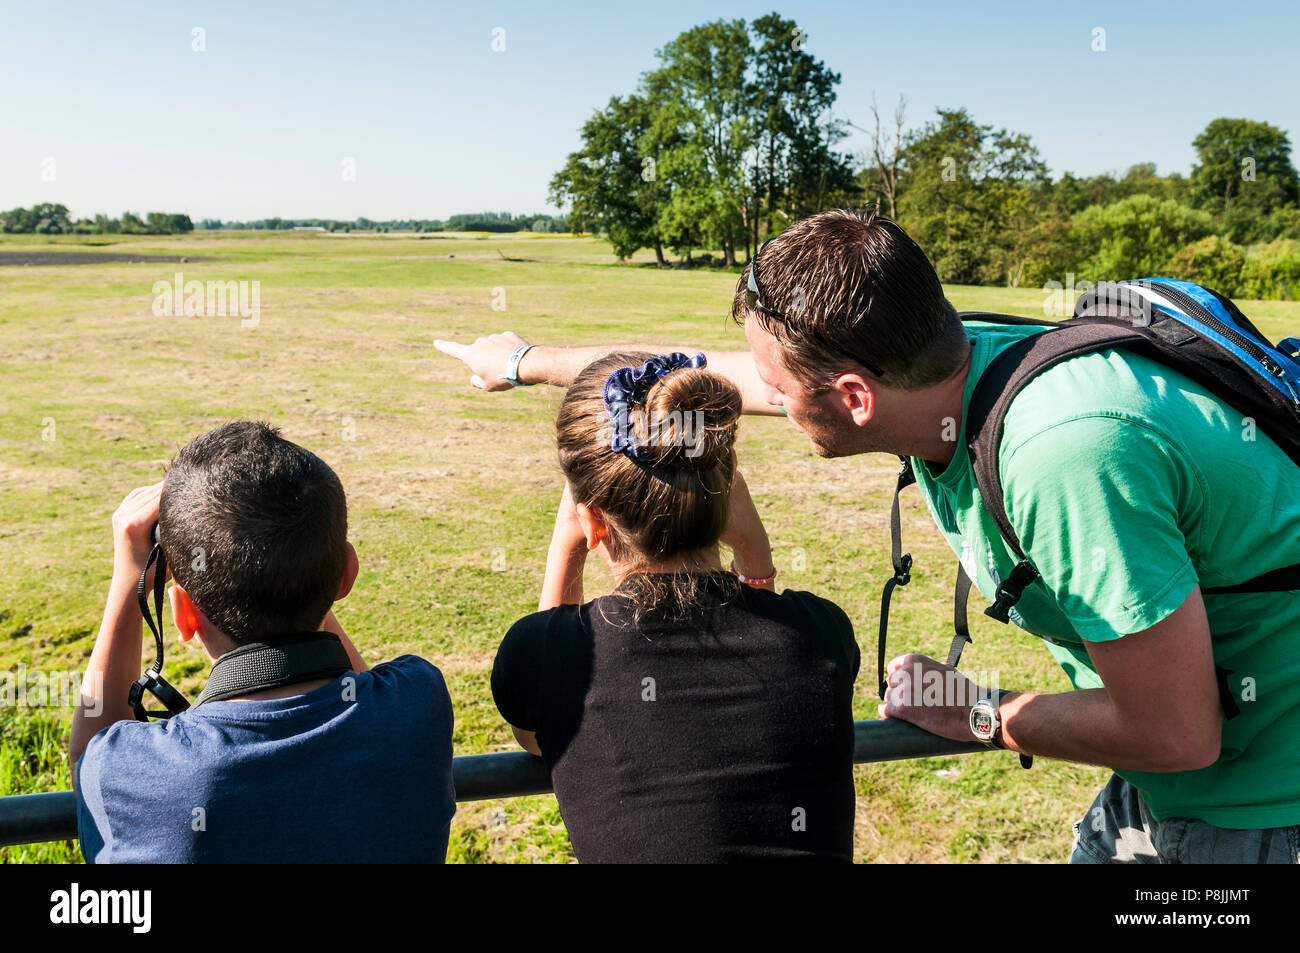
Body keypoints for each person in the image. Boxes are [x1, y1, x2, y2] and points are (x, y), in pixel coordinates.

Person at [439, 208, 1300, 864]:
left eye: (773, 386)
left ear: (854, 396)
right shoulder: (963, 362)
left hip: (1264, 801)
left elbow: (1181, 730)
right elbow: (685, 377)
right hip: (1185, 781)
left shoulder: (1061, 453)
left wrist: (977, 711)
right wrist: (528, 364)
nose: (753, 398)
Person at [490, 351, 860, 862]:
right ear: (726, 491)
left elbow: (540, 739)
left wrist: (566, 545)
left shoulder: (545, 654)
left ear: (593, 523)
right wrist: (756, 555)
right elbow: (764, 658)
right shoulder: (820, 633)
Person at [70, 421, 456, 863]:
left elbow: (89, 757)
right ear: (347, 575)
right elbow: (362, 699)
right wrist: (299, 567)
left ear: (184, 615)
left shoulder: (138, 773)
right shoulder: (417, 701)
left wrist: (129, 580)